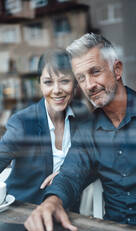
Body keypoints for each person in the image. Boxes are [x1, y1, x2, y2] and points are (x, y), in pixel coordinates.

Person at [25, 33, 136, 231]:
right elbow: (71, 175)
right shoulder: (87, 131)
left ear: (117, 69)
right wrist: (51, 202)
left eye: (95, 72)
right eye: (81, 78)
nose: (89, 85)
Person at [0, 49, 88, 205]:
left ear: (75, 83)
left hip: (66, 212)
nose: (56, 90)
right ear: (39, 84)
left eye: (64, 81)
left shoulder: (82, 115)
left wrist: (66, 173)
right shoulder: (23, 122)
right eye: (48, 82)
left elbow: (95, 161)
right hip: (23, 211)